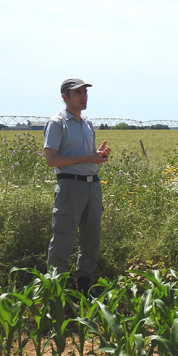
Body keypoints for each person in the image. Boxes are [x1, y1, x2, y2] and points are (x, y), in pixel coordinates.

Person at [43, 79, 111, 295]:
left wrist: (98, 156)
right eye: (77, 93)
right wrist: (86, 157)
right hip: (70, 186)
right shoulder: (57, 123)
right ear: (65, 97)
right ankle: (55, 292)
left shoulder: (87, 123)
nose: (83, 96)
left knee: (91, 239)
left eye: (85, 92)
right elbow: (51, 160)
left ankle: (84, 286)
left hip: (93, 186)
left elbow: (86, 157)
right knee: (64, 239)